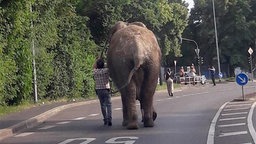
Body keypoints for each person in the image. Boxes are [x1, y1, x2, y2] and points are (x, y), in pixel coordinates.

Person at [93, 58, 112, 126]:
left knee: (102, 105)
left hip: (99, 89)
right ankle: (109, 119)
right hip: (106, 89)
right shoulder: (106, 71)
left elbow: (94, 66)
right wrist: (104, 64)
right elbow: (109, 65)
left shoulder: (95, 72)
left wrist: (97, 60)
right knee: (108, 105)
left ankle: (105, 119)